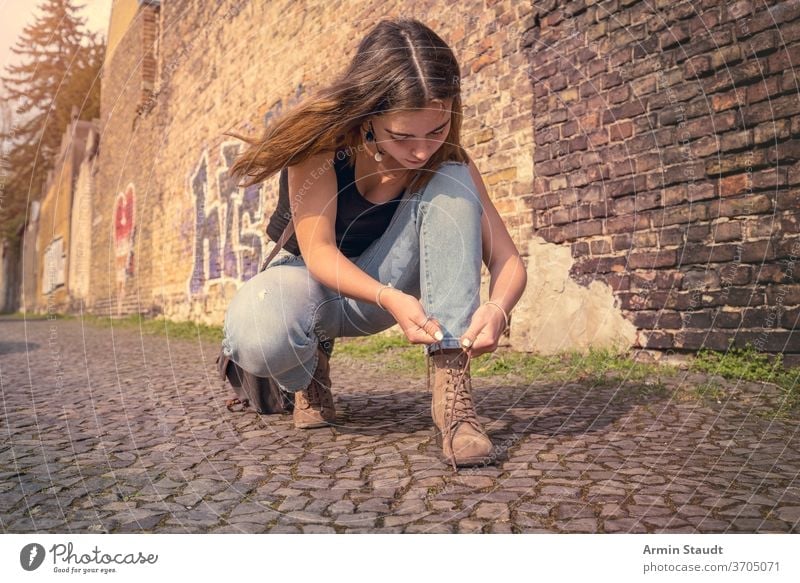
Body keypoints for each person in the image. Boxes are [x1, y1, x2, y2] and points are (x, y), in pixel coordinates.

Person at [221, 17, 527, 469]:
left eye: (436, 130)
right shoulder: (323, 149)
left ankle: (453, 401)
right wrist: (389, 298)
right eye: (402, 135)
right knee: (259, 334)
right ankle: (310, 372)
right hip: (315, 289)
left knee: (453, 176)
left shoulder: (445, 162)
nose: (421, 150)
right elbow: (320, 252)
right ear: (368, 115)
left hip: (388, 288)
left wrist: (498, 309)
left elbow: (509, 262)